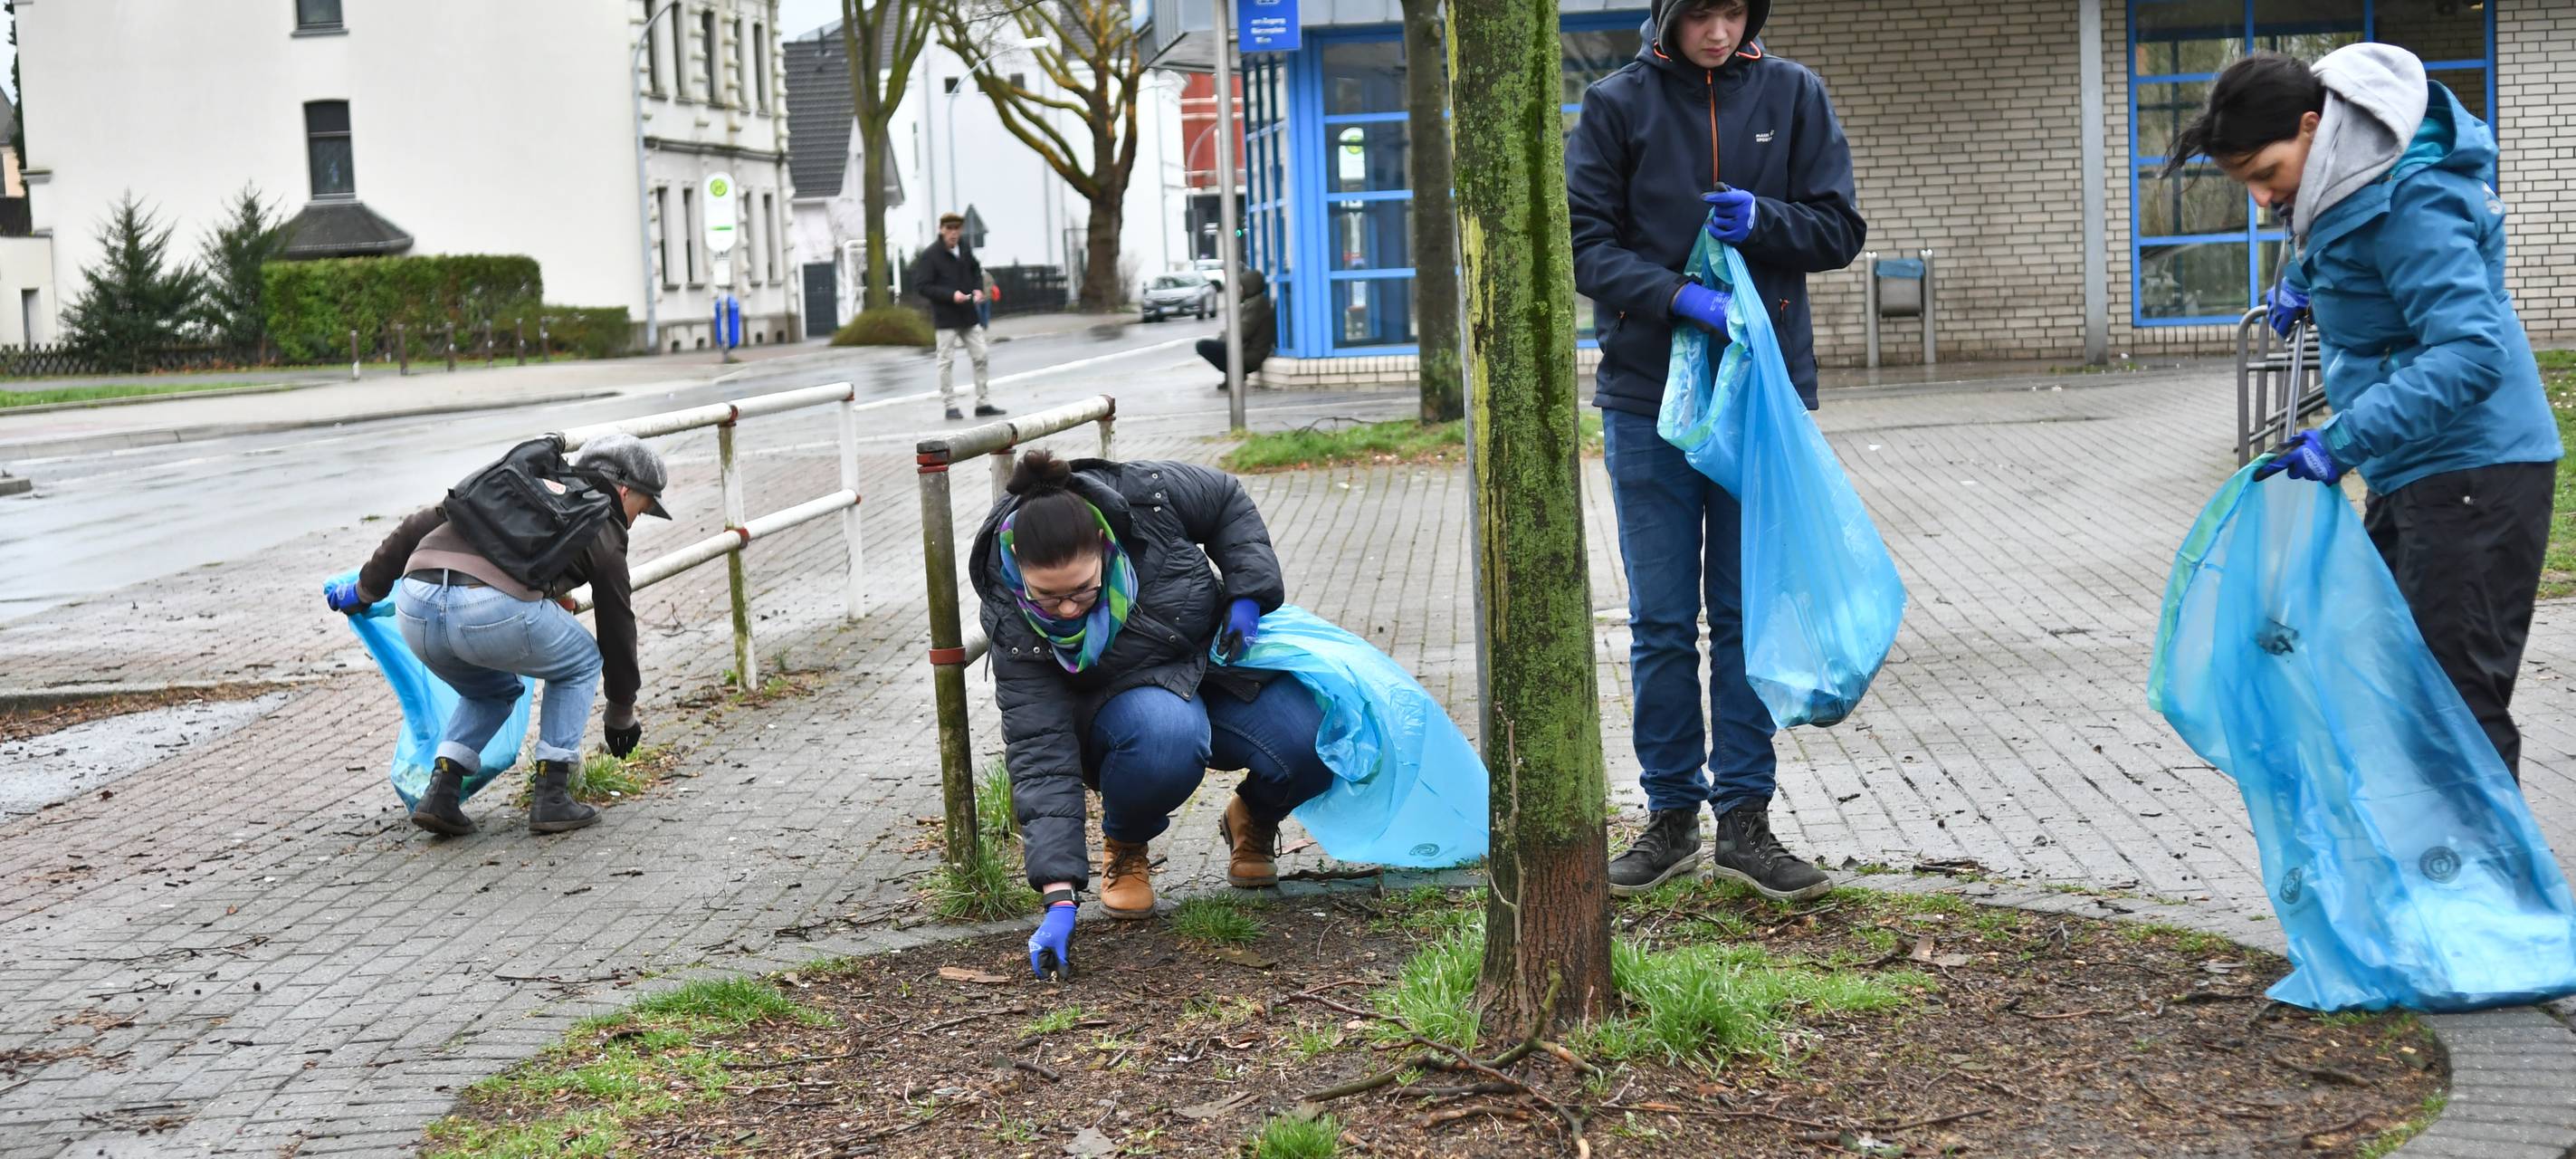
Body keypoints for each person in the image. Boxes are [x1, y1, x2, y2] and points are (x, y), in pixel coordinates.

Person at [2176, 47, 2562, 779]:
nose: (2262, 199)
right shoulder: (2343, 182)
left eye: (2265, 174)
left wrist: (2341, 440)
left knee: (2453, 713)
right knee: (2400, 693)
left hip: (2476, 471)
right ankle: (2431, 880)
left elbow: (2470, 353)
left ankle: (2491, 890)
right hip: (2419, 469)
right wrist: (2303, 276)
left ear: (2315, 127)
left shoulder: (2414, 199)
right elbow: (2353, 244)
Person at [1566, 0, 1865, 901]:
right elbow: (1585, 247)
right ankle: (1667, 818)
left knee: (1741, 615)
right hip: (1644, 397)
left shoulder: (1794, 94)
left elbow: (1838, 229)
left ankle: (1744, 820)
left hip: (1761, 400)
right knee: (1660, 619)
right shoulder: (1614, 104)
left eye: (1734, 12)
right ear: (1667, 14)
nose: (1718, 32)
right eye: (1699, 13)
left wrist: (1763, 221)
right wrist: (1674, 297)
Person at [972, 448, 1331, 981]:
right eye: (1048, 598)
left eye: (1082, 591)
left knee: (1318, 732)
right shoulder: (1015, 623)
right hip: (1125, 710)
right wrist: (1059, 898)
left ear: (1104, 543)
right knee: (1166, 738)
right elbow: (1039, 751)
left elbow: (1227, 500)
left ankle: (1252, 818)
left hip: (1212, 661)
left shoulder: (1148, 495)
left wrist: (1247, 594)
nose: (1068, 610)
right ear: (1019, 570)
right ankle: (1126, 843)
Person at [322, 434, 673, 835]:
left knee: (491, 690)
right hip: (487, 611)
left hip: (415, 605)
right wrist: (620, 710)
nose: (633, 520)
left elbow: (419, 523)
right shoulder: (601, 520)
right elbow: (617, 622)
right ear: (624, 490)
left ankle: (441, 793)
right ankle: (553, 795)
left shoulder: (517, 480)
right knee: (582, 660)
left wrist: (365, 591)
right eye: (641, 510)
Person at [916, 211, 1004, 422]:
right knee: (946, 361)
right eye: (949, 229)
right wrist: (950, 295)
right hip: (946, 317)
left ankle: (983, 402)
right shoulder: (931, 255)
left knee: (981, 355)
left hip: (968, 314)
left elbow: (975, 270)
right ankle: (950, 405)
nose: (953, 234)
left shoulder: (964, 248)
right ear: (941, 230)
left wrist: (977, 289)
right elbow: (923, 286)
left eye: (956, 229)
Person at [1195, 268, 1274, 392]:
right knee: (1216, 346)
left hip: (1251, 356)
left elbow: (1240, 333)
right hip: (1247, 352)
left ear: (1249, 287)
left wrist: (1223, 338)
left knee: (1203, 345)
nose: (1238, 290)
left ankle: (1236, 375)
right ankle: (1233, 376)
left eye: (1240, 287)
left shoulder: (1256, 305)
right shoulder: (1252, 303)